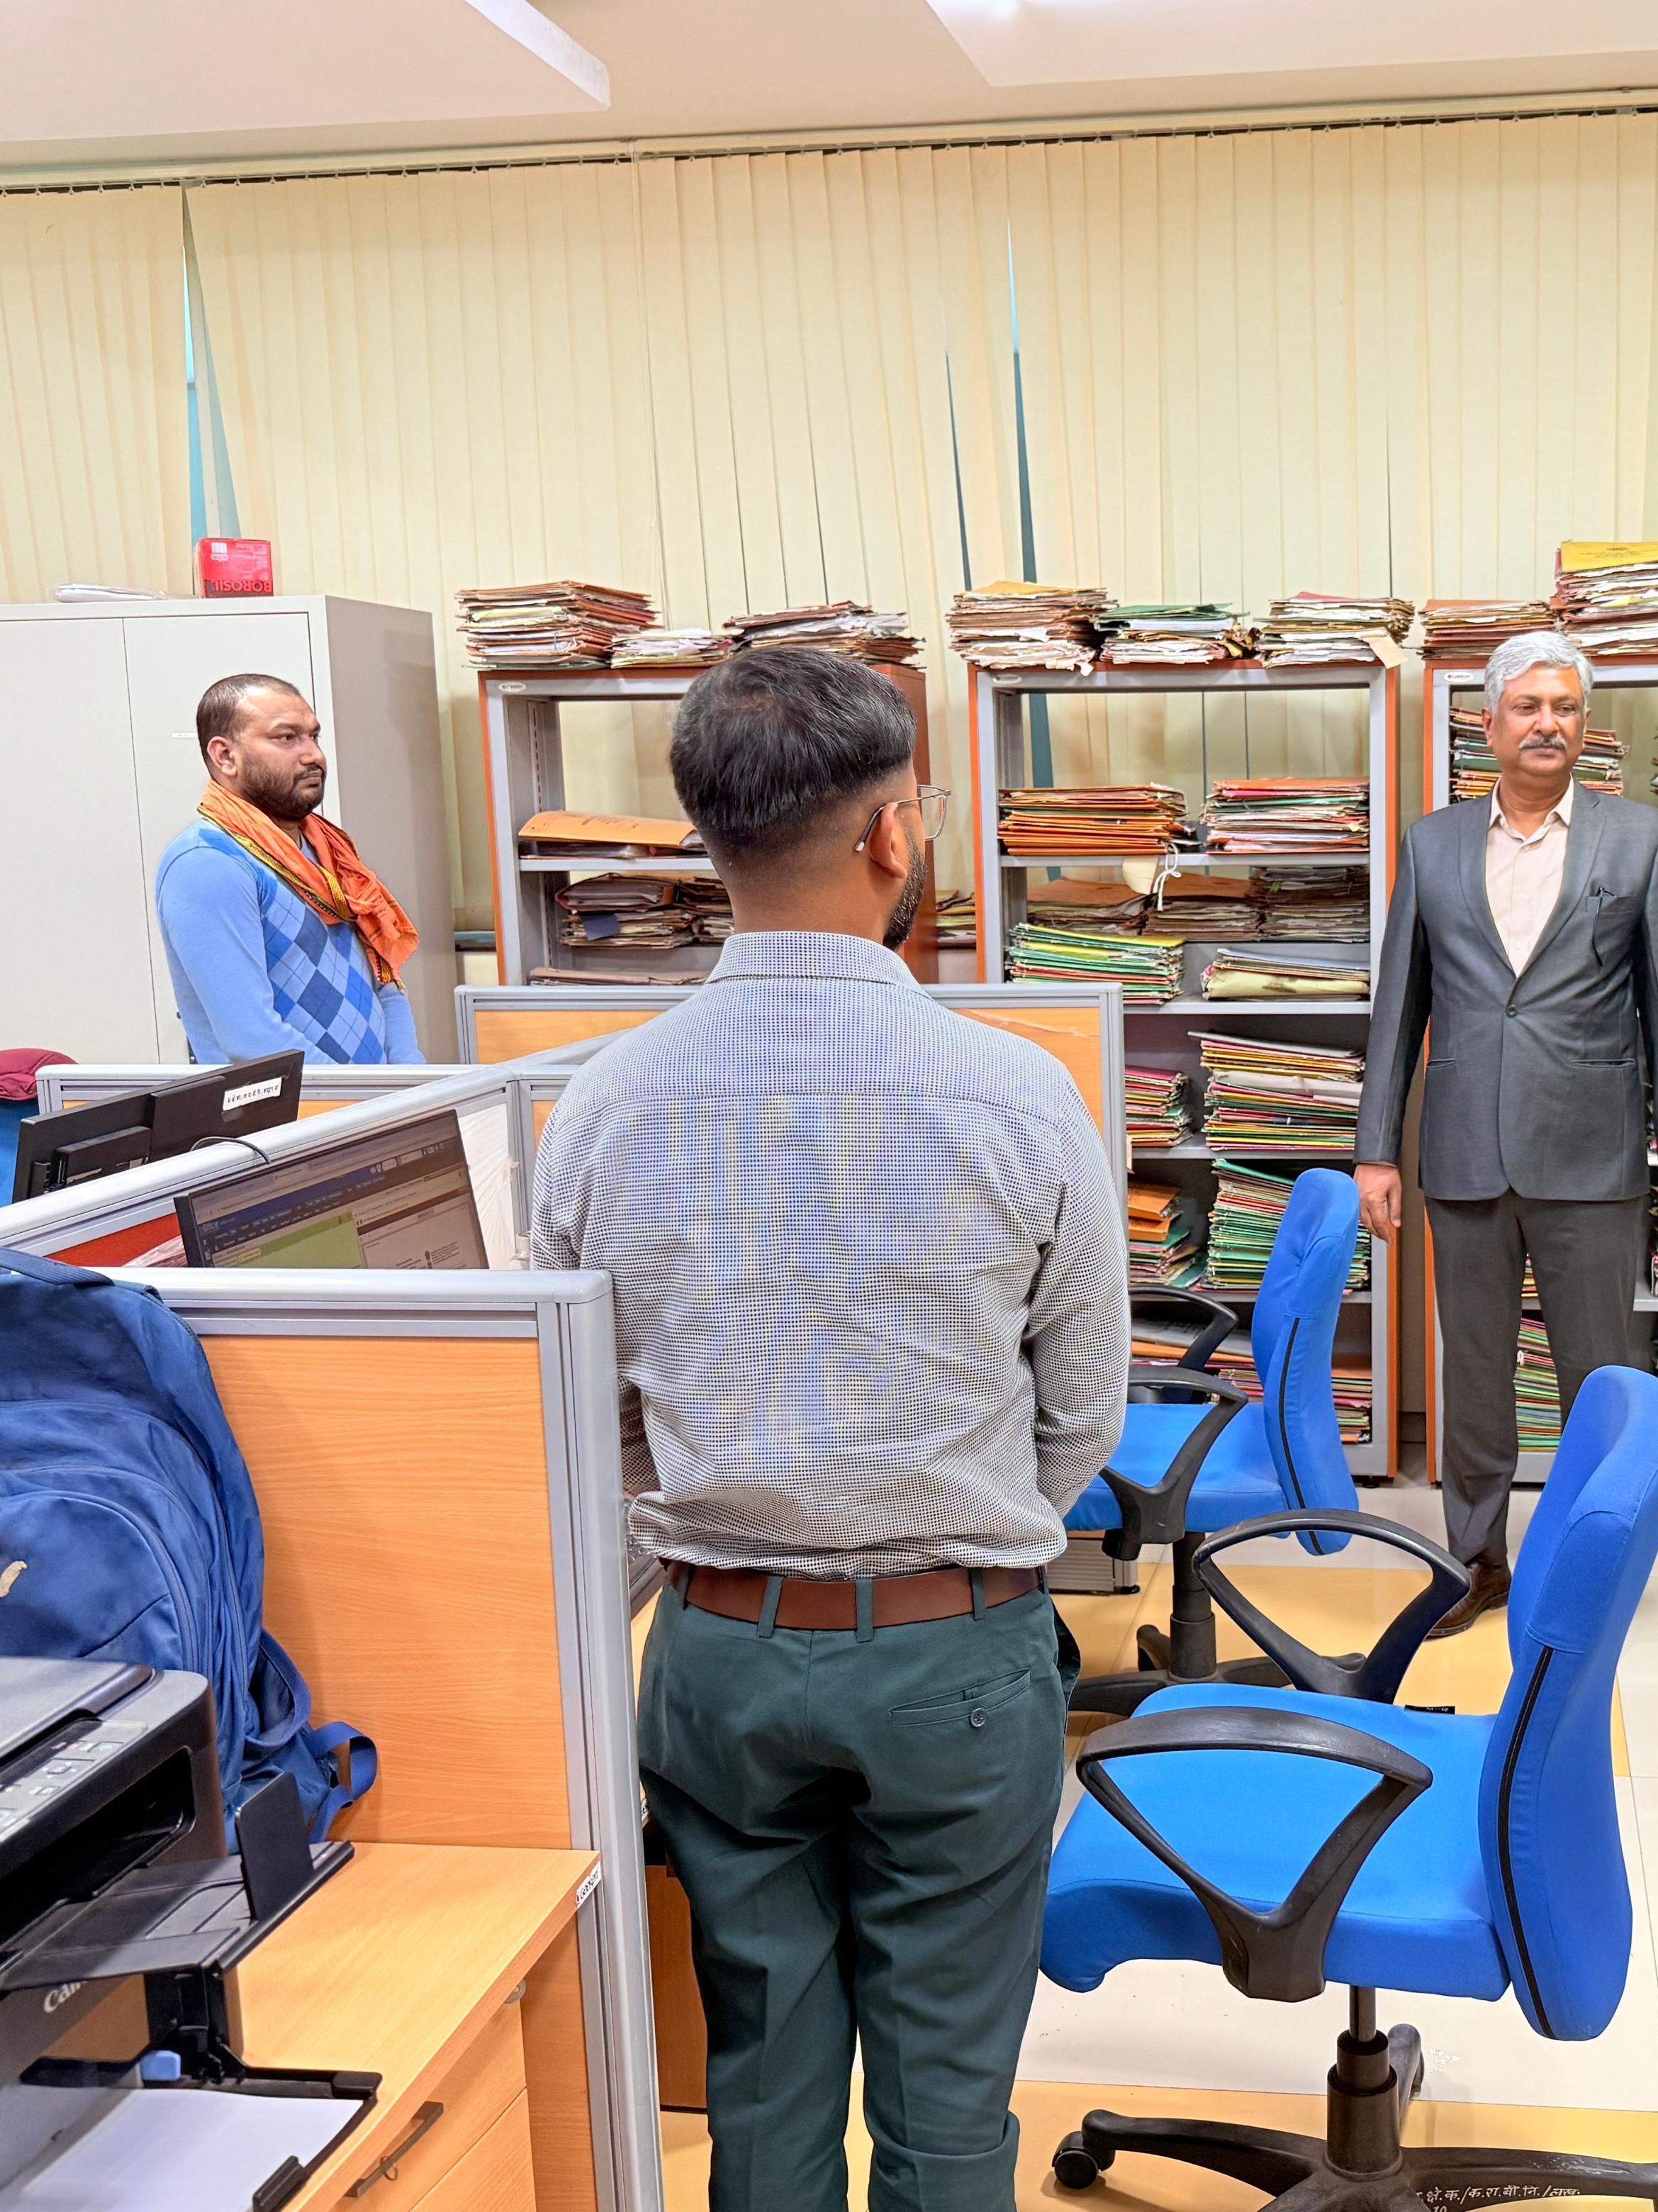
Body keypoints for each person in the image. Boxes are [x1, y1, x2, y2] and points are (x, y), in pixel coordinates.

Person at [530, 647, 1126, 2212]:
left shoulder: (599, 1108)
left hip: (720, 1656)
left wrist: (731, 1510)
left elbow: (595, 1425)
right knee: (949, 2100)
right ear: (890, 836)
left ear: (708, 841)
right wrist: (945, 1517)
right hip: (958, 1656)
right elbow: (1083, 1418)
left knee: (762, 2078)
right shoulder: (1020, 1095)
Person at [1357, 630, 1658, 1638]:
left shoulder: (1638, 840)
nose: (1547, 723)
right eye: (1528, 706)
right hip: (1464, 1153)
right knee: (1473, 1378)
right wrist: (1375, 1150)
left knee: (1599, 1378)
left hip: (1592, 1157)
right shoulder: (1432, 844)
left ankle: (1588, 1565)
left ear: (1585, 724)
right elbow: (1399, 1009)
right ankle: (1476, 1563)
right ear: (1489, 723)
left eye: (1564, 707)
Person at [155, 674, 426, 1065]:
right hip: (297, 1103)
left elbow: (385, 977)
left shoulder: (328, 849)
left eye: (314, 736)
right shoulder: (208, 862)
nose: (313, 755)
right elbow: (253, 1039)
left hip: (375, 1097)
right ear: (225, 756)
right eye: (287, 738)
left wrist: (409, 1078)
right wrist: (369, 1094)